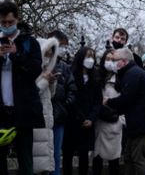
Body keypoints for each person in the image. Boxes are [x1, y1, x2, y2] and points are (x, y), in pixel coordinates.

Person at [0, 1, 45, 175]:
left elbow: (35, 70)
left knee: (25, 159)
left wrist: (17, 54)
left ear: (17, 19)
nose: (7, 26)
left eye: (10, 22)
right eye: (3, 23)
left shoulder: (29, 42)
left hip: (23, 109)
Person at [103, 48, 145, 175]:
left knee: (138, 158)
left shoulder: (132, 74)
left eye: (115, 60)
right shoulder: (131, 73)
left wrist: (108, 102)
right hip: (140, 122)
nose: (112, 63)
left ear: (124, 61)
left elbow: (127, 98)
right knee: (129, 156)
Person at [62, 47, 102, 175]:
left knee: (84, 155)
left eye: (92, 57)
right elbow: (69, 97)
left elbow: (98, 101)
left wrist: (91, 118)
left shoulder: (95, 77)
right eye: (87, 57)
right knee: (68, 154)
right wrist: (81, 117)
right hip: (72, 120)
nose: (90, 60)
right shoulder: (70, 73)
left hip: (88, 122)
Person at [47, 30, 77, 175]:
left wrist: (66, 105)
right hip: (42, 117)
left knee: (56, 154)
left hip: (59, 117)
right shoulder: (40, 62)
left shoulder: (65, 67)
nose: (64, 50)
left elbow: (72, 89)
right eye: (62, 46)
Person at [92, 49, 125, 175]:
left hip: (114, 124)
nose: (110, 62)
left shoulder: (121, 80)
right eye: (108, 59)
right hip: (99, 123)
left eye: (113, 60)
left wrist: (121, 120)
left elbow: (125, 101)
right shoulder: (97, 78)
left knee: (114, 160)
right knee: (97, 158)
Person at [33, 37, 59, 174]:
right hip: (36, 120)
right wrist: (44, 81)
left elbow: (50, 95)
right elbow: (32, 93)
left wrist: (51, 82)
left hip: (46, 120)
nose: (48, 57)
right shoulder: (33, 70)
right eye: (46, 53)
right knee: (38, 160)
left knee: (45, 159)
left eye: (51, 54)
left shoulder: (46, 70)